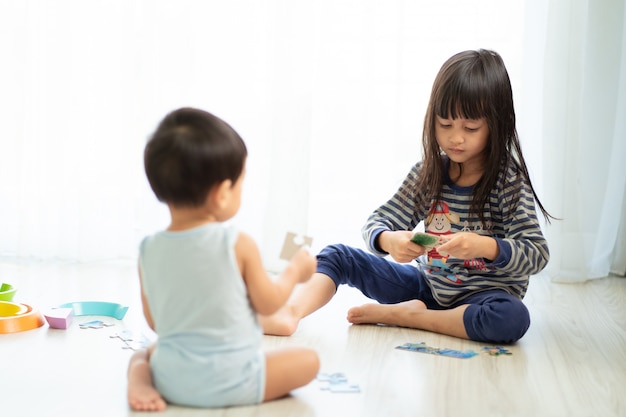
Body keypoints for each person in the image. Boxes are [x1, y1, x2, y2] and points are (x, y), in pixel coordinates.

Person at [261, 49, 554, 345]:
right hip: (427, 288)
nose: (456, 138)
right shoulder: (429, 173)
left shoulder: (509, 181)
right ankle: (290, 313)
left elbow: (537, 254)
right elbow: (379, 221)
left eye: (471, 128)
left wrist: (487, 247)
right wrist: (389, 241)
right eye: (445, 124)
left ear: (496, 123)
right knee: (337, 256)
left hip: (485, 299)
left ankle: (408, 317)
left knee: (512, 318)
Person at [127, 107, 320, 411]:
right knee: (309, 360)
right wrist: (296, 270)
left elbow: (155, 323)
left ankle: (139, 383)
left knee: (142, 355)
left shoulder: (148, 249)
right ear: (222, 193)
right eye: (240, 183)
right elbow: (270, 304)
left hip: (172, 382)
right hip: (237, 382)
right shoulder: (237, 243)